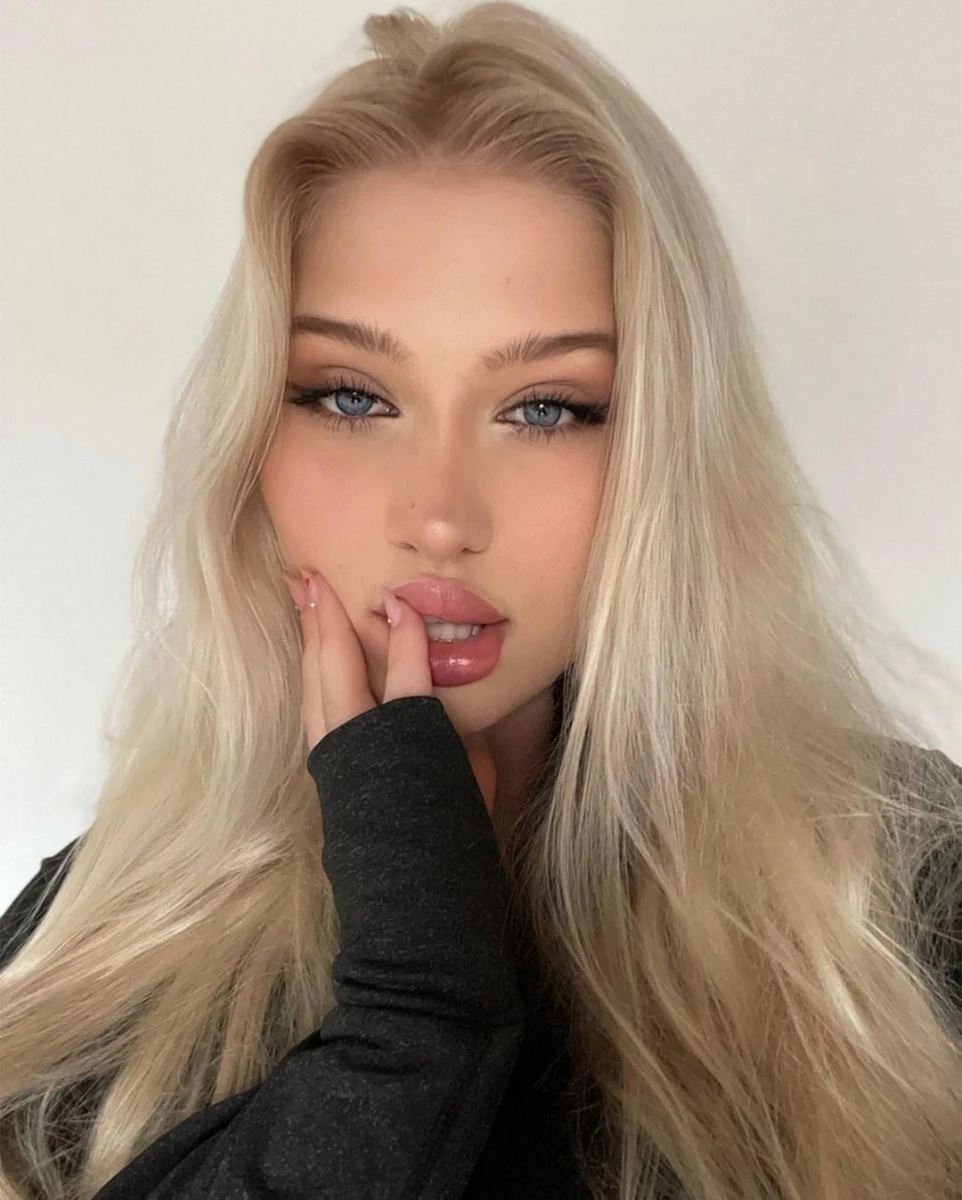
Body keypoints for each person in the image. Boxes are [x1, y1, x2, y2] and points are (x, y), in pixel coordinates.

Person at [1, 3, 959, 1198]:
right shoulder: (86, 954)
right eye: (350, 396)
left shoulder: (893, 889)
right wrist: (413, 1014)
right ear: (251, 440)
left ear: (663, 451)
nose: (440, 516)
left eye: (547, 408)